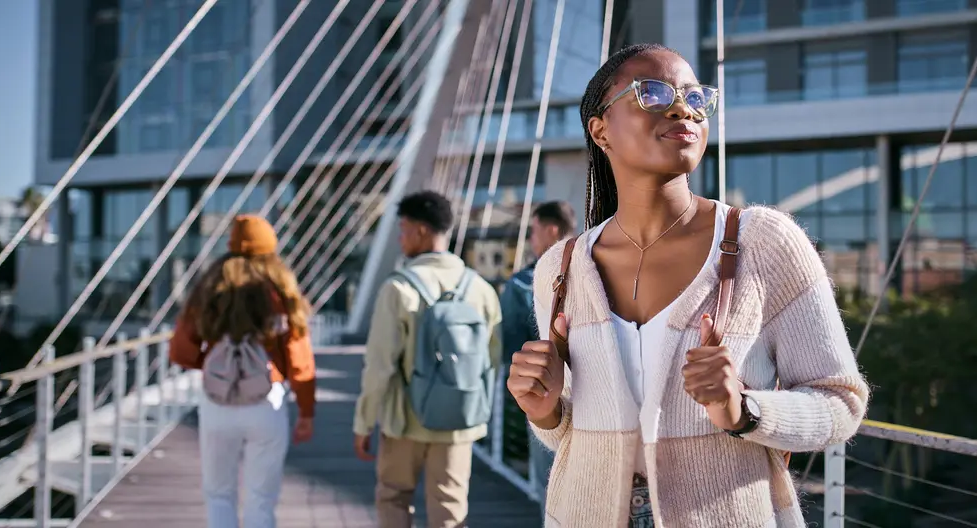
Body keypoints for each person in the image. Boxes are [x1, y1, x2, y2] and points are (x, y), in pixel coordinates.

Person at [506, 43, 870, 527]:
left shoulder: (765, 242)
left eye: (696, 97)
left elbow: (841, 403)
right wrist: (546, 410)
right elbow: (568, 431)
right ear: (600, 130)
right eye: (652, 93)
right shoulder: (561, 266)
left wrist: (743, 409)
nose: (682, 107)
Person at [354, 190, 503, 528]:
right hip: (456, 421)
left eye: (403, 228)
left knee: (393, 498)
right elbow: (490, 362)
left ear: (421, 230)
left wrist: (364, 422)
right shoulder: (481, 290)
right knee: (450, 509)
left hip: (403, 421)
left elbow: (379, 366)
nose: (400, 237)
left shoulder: (398, 289)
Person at [169, 214, 317, 528]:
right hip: (266, 401)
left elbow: (181, 350)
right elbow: (299, 358)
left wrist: (212, 364)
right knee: (261, 498)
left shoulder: (210, 285)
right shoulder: (280, 289)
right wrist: (306, 411)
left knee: (219, 494)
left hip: (217, 402)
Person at [498, 201, 576, 515]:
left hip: (546, 394)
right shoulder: (595, 266)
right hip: (597, 398)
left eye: (533, 230)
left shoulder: (522, 283)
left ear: (551, 230)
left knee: (549, 485)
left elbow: (512, 346)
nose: (531, 239)